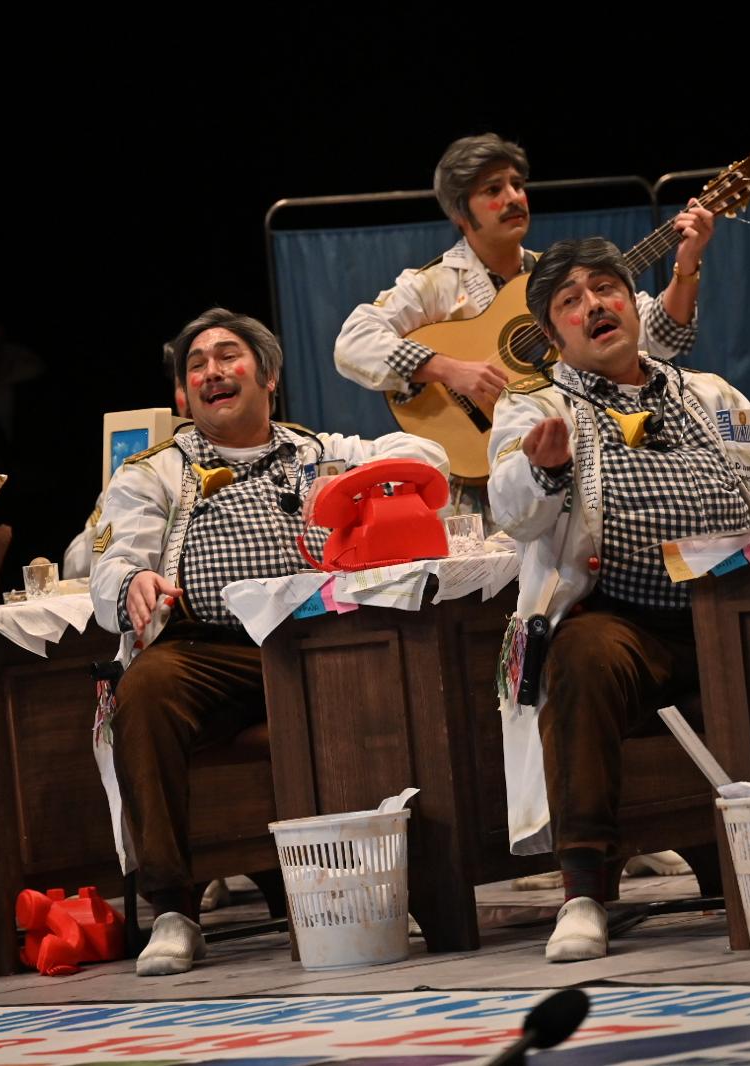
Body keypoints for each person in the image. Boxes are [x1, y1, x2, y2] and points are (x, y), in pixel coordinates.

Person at [487, 238, 750, 962]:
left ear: (633, 304)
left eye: (606, 288)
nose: (595, 305)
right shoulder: (536, 407)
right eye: (572, 301)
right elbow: (511, 507)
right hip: (623, 622)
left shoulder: (709, 394)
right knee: (581, 655)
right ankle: (584, 893)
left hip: (734, 621)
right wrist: (540, 468)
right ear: (553, 336)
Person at [90, 308, 447, 976]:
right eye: (196, 366)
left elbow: (428, 460)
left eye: (228, 356)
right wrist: (133, 579)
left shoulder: (320, 452)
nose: (212, 372)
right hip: (207, 652)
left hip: (315, 647)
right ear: (181, 396)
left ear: (269, 376)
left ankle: (415, 881)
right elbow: (111, 558)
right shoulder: (154, 471)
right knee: (145, 690)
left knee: (403, 672)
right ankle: (172, 909)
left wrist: (363, 481)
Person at [335, 133, 712, 511]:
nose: (514, 197)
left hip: (572, 468)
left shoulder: (561, 277)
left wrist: (687, 265)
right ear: (460, 213)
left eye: (517, 184)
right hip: (469, 484)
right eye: (493, 189)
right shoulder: (433, 285)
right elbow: (354, 341)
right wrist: (448, 369)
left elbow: (662, 336)